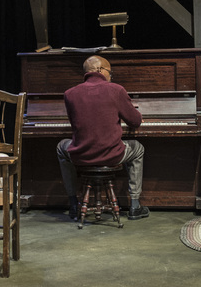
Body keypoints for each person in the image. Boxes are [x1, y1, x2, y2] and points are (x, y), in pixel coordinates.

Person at [56, 55, 149, 221]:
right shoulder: (116, 90)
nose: (110, 76)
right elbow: (134, 121)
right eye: (110, 72)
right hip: (111, 154)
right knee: (138, 148)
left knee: (61, 147)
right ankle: (135, 205)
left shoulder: (69, 94)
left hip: (81, 153)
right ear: (100, 70)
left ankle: (73, 203)